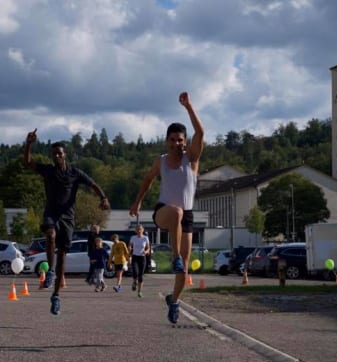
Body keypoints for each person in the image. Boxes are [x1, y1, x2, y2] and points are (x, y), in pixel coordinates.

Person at [128, 91, 204, 324]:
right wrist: (138, 200)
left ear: (185, 142)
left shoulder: (191, 159)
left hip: (187, 216)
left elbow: (200, 133)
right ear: (166, 141)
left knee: (184, 269)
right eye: (172, 140)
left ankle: (174, 299)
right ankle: (174, 257)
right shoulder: (161, 161)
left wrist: (189, 107)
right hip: (164, 211)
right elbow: (147, 179)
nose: (176, 143)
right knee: (176, 213)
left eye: (180, 140)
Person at [24, 129, 110, 315]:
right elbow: (29, 162)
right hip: (51, 212)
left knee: (63, 252)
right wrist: (29, 144)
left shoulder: (75, 173)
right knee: (50, 234)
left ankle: (55, 295)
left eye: (59, 153)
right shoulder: (48, 171)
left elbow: (93, 184)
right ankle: (51, 272)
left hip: (68, 217)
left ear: (65, 155)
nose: (56, 156)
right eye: (54, 153)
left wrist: (103, 198)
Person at [128, 224, 150, 298]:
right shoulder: (133, 238)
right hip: (135, 257)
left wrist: (146, 252)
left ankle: (139, 291)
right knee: (135, 272)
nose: (139, 230)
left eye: (140, 229)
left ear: (143, 230)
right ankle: (134, 282)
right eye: (137, 229)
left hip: (142, 258)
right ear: (135, 230)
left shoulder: (145, 238)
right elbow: (130, 245)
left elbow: (148, 248)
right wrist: (130, 248)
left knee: (140, 275)